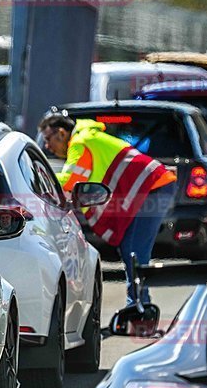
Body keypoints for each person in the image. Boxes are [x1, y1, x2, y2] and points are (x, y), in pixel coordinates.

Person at [38, 109, 177, 307]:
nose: (47, 146)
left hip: (152, 188)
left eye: (47, 139)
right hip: (153, 186)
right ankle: (138, 304)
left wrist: (41, 178)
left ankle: (139, 307)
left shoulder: (80, 142)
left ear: (61, 133)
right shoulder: (88, 138)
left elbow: (71, 180)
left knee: (134, 250)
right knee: (131, 249)